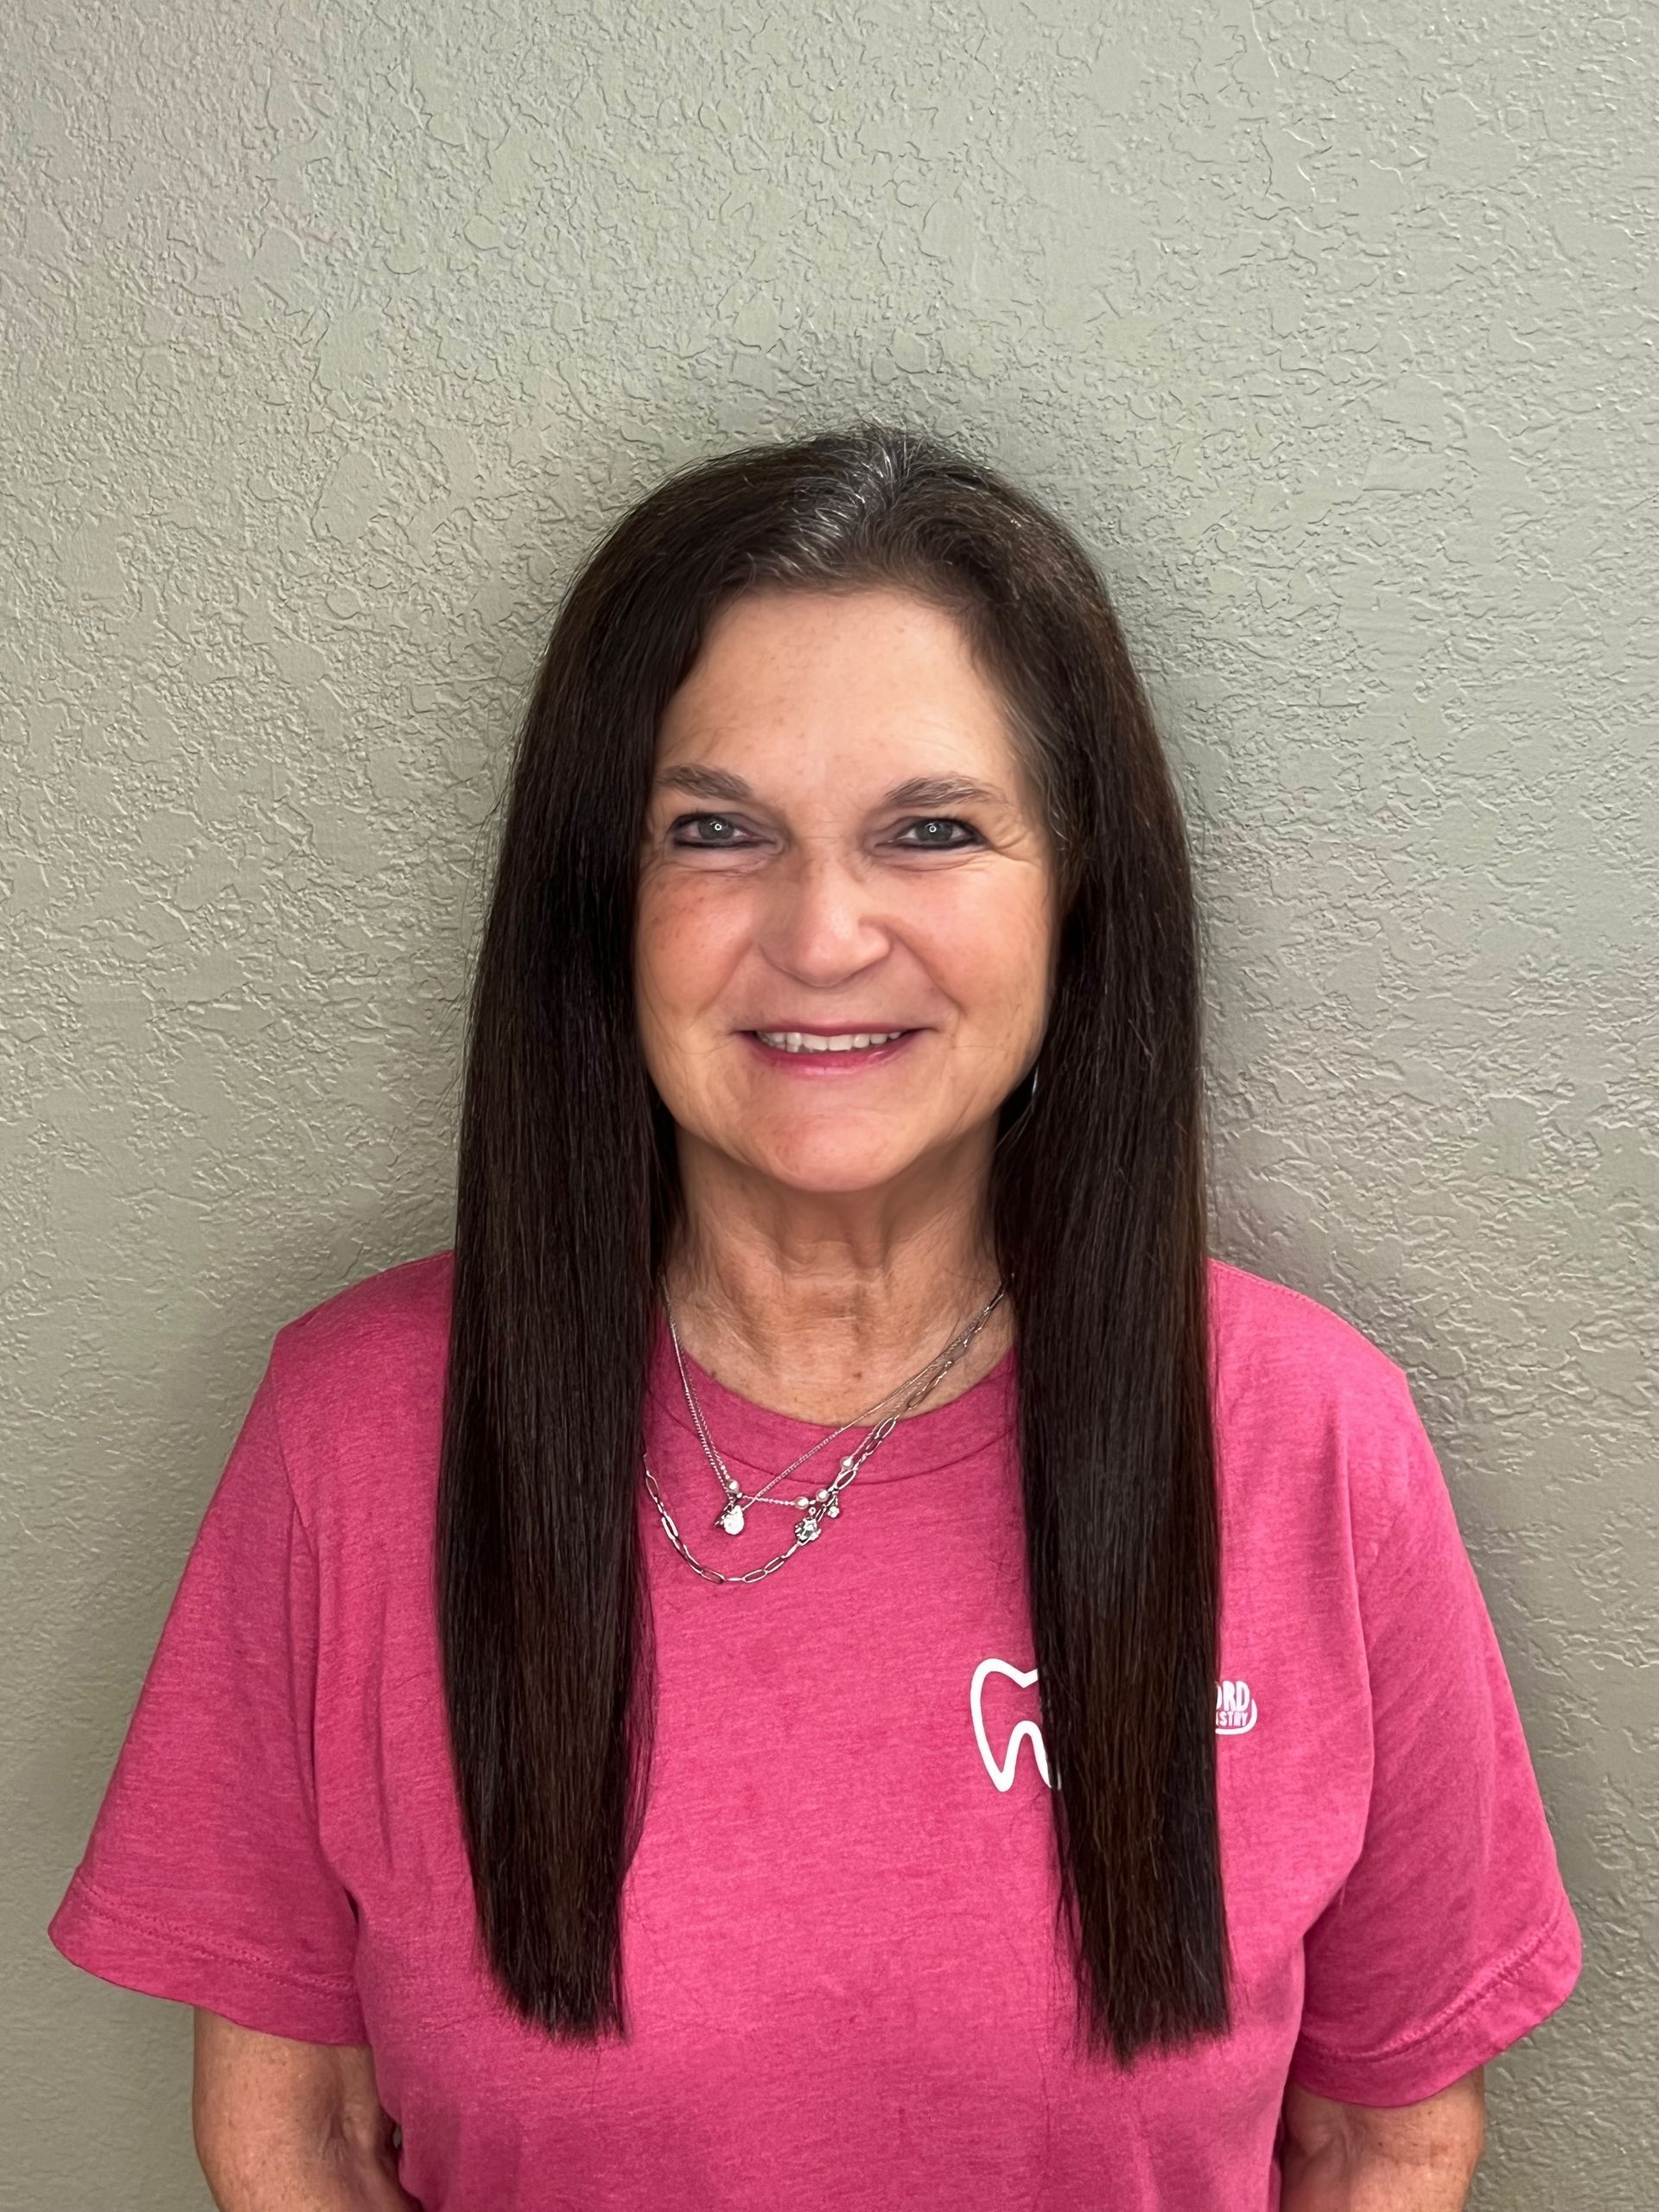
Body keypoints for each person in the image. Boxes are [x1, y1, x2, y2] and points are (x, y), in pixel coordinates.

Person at [48, 423, 1581, 2209]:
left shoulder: (1307, 1434)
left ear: (1074, 893)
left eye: (930, 830)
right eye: (717, 831)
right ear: (597, 901)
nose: (824, 928)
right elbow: (290, 2127)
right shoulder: (358, 1429)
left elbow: (1387, 2130)